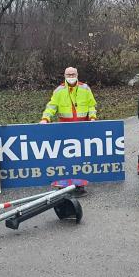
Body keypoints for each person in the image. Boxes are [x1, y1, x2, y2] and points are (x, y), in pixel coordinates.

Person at [40, 66, 97, 196]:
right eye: (68, 74)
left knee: (81, 158)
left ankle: (80, 186)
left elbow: (91, 105)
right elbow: (51, 107)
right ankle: (64, 186)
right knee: (65, 159)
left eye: (73, 74)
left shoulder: (85, 88)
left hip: (83, 128)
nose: (71, 76)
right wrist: (45, 119)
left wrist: (93, 118)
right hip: (65, 130)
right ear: (64, 76)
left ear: (77, 74)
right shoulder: (59, 91)